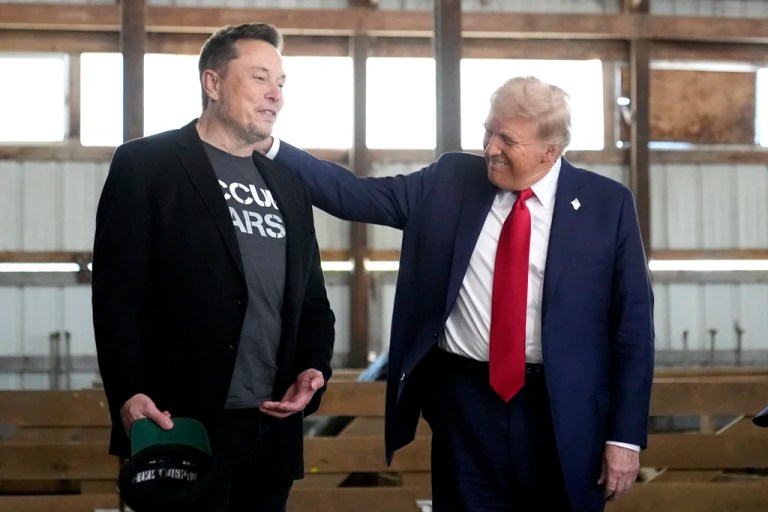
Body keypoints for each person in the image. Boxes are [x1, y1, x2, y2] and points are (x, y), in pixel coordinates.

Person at [256, 76, 655, 511]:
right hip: (464, 407)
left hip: (564, 411)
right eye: (488, 131)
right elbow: (355, 194)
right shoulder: (451, 180)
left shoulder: (607, 205)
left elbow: (633, 329)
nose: (490, 148)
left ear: (550, 151)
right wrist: (268, 145)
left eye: (507, 139)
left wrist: (625, 437)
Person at [92, 22, 335, 512]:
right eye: (261, 78)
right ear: (213, 83)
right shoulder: (147, 165)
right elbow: (117, 295)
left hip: (271, 429)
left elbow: (312, 301)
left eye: (281, 83)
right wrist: (127, 391)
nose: (276, 96)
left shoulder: (288, 185)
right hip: (178, 424)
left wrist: (313, 366)